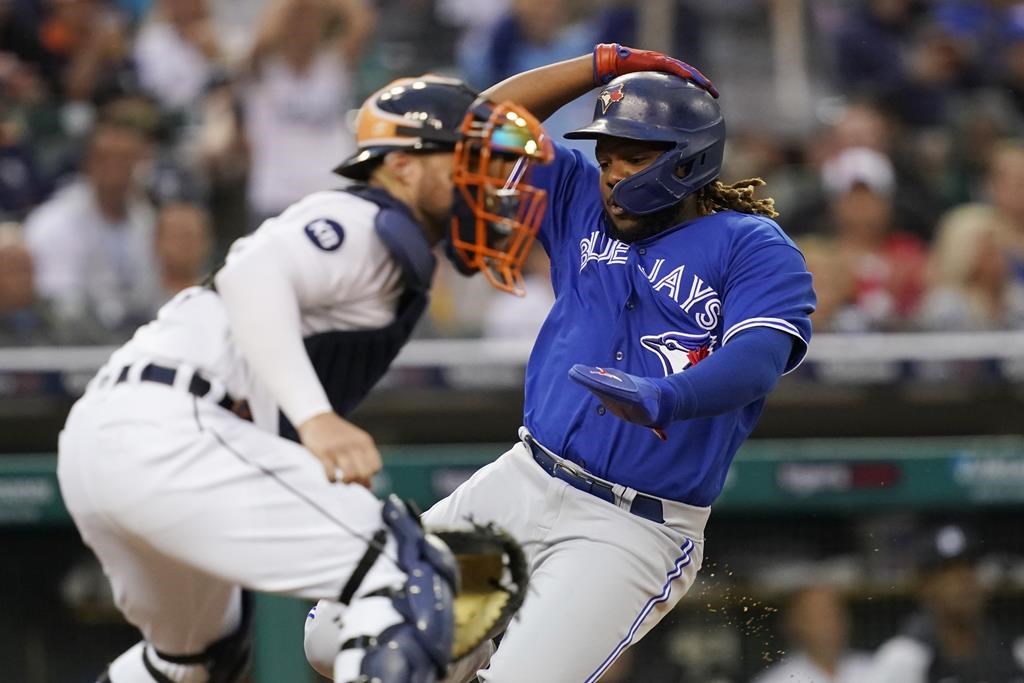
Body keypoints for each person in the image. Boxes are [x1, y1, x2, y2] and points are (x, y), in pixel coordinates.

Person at [304, 45, 816, 682]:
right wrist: (599, 66)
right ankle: (462, 650)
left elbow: (759, 358)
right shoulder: (578, 199)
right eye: (606, 156)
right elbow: (479, 125)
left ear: (689, 158)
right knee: (336, 634)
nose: (612, 172)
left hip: (632, 523)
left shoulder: (752, 245)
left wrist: (668, 397)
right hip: (524, 479)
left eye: (635, 154)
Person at [56, 74, 554, 683]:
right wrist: (315, 418)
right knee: (408, 572)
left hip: (111, 440)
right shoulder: (363, 219)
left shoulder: (392, 247)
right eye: (466, 160)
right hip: (175, 429)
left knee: (193, 661)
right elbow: (252, 274)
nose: (486, 181)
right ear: (401, 167)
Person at [23, 115, 162, 338]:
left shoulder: (148, 219)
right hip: (74, 347)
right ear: (87, 163)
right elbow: (59, 303)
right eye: (105, 158)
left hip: (140, 339)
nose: (116, 168)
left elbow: (155, 289)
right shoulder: (53, 222)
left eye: (126, 159)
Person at [867, 524, 1024, 683]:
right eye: (949, 574)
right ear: (925, 587)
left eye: (969, 569)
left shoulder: (1016, 653)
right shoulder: (902, 658)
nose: (964, 582)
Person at [752, 584, 872, 683]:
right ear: (795, 624)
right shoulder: (775, 680)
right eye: (820, 616)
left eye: (836, 613)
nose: (832, 623)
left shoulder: (875, 668)